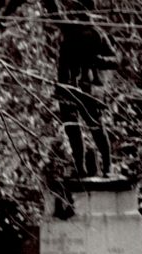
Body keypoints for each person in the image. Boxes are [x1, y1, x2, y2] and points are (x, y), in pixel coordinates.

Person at [41, 0, 120, 177]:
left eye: (79, 8)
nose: (76, 12)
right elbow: (54, 11)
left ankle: (107, 166)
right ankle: (80, 167)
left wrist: (98, 60)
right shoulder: (69, 28)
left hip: (88, 88)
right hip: (67, 87)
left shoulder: (97, 34)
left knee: (96, 127)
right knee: (72, 129)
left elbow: (115, 61)